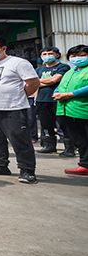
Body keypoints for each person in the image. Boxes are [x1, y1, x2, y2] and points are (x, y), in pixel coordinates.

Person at [0, 36, 40, 184]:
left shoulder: (18, 63)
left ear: (3, 48)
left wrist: (20, 95)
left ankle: (27, 170)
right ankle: (0, 165)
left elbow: (33, 82)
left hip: (13, 109)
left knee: (19, 140)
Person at [54, 45, 88, 175]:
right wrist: (57, 92)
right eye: (73, 56)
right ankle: (84, 164)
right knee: (79, 139)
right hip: (66, 109)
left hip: (83, 110)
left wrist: (71, 94)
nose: (77, 59)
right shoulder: (70, 72)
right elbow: (60, 86)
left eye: (82, 55)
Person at [34, 47, 72, 155]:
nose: (47, 56)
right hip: (42, 100)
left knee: (63, 124)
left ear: (57, 55)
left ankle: (69, 148)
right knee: (46, 124)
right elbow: (34, 83)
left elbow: (55, 79)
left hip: (58, 99)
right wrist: (45, 82)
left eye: (50, 53)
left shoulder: (63, 67)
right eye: (44, 54)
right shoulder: (39, 69)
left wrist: (39, 82)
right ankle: (49, 146)